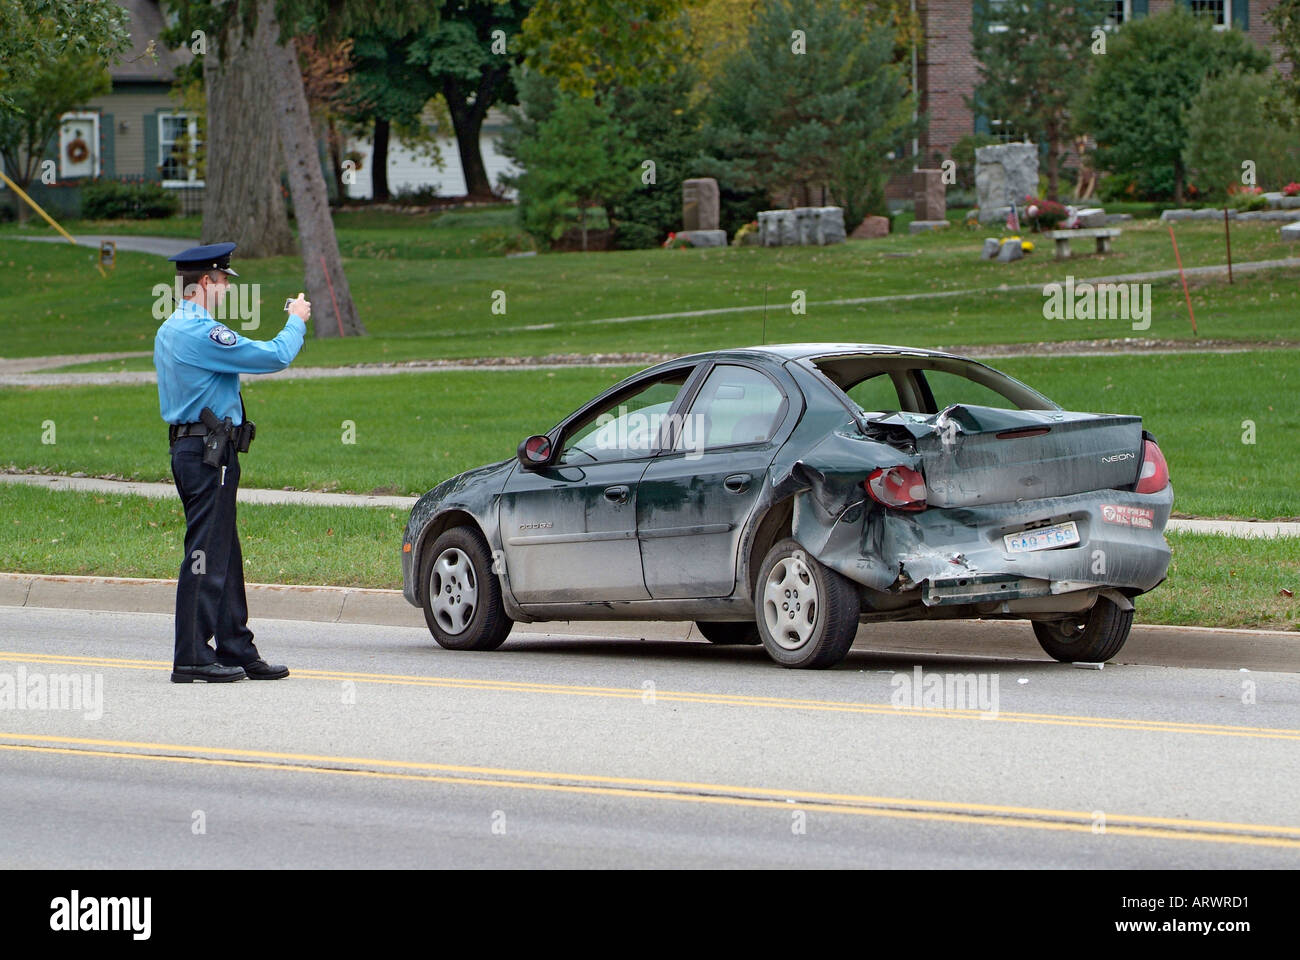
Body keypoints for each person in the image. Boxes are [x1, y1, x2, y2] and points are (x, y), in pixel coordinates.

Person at [154, 242, 310, 682]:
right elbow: (274, 356)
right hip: (208, 455)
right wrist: (295, 321)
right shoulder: (200, 332)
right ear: (204, 282)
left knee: (223, 552)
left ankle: (235, 647)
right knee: (206, 553)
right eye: (222, 280)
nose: (225, 288)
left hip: (196, 451)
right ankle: (191, 656)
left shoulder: (171, 328)